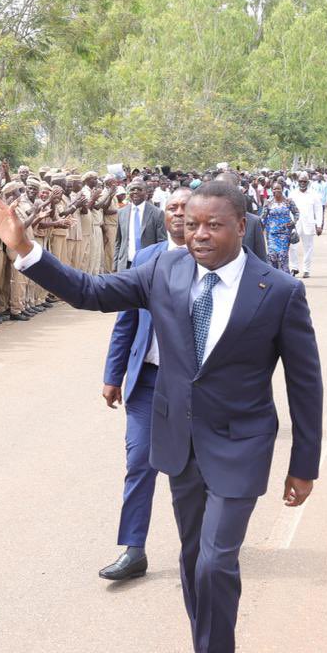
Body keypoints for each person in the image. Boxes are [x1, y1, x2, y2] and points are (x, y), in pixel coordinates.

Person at [0, 180, 323, 653]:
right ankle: (214, 651)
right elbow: (90, 292)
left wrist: (303, 464)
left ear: (241, 226)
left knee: (216, 559)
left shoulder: (278, 290)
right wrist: (26, 249)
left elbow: (304, 383)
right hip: (179, 441)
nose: (198, 234)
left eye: (213, 225)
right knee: (190, 558)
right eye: (191, 225)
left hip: (241, 444)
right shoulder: (164, 270)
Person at [97, 187, 193, 581]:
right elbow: (127, 321)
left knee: (190, 470)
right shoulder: (147, 257)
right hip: (146, 381)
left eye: (186, 207)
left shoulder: (216, 261)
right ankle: (133, 550)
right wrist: (112, 375)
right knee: (139, 462)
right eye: (172, 207)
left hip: (191, 386)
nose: (179, 214)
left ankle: (201, 549)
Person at [114, 180, 166, 271]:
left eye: (139, 189)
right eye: (132, 189)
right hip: (126, 264)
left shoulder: (157, 213)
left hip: (148, 265)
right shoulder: (121, 212)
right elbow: (118, 241)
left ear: (146, 193)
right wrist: (115, 265)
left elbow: (162, 243)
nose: (135, 192)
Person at [287, 172, 322, 278]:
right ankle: (294, 268)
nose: (302, 183)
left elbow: (318, 210)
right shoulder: (292, 194)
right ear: (297, 182)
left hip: (309, 224)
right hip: (295, 225)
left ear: (308, 182)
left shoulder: (314, 194)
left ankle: (306, 270)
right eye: (300, 181)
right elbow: (289, 210)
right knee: (293, 247)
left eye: (304, 181)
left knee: (308, 248)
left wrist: (319, 225)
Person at [260, 181, 299, 274]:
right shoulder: (268, 202)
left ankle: (286, 278)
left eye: (278, 188)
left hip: (285, 233)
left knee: (282, 256)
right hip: (272, 234)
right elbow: (263, 217)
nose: (276, 190)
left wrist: (294, 222)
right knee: (272, 256)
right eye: (274, 189)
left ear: (282, 189)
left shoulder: (288, 201)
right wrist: (260, 228)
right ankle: (274, 277)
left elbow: (296, 213)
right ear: (271, 190)